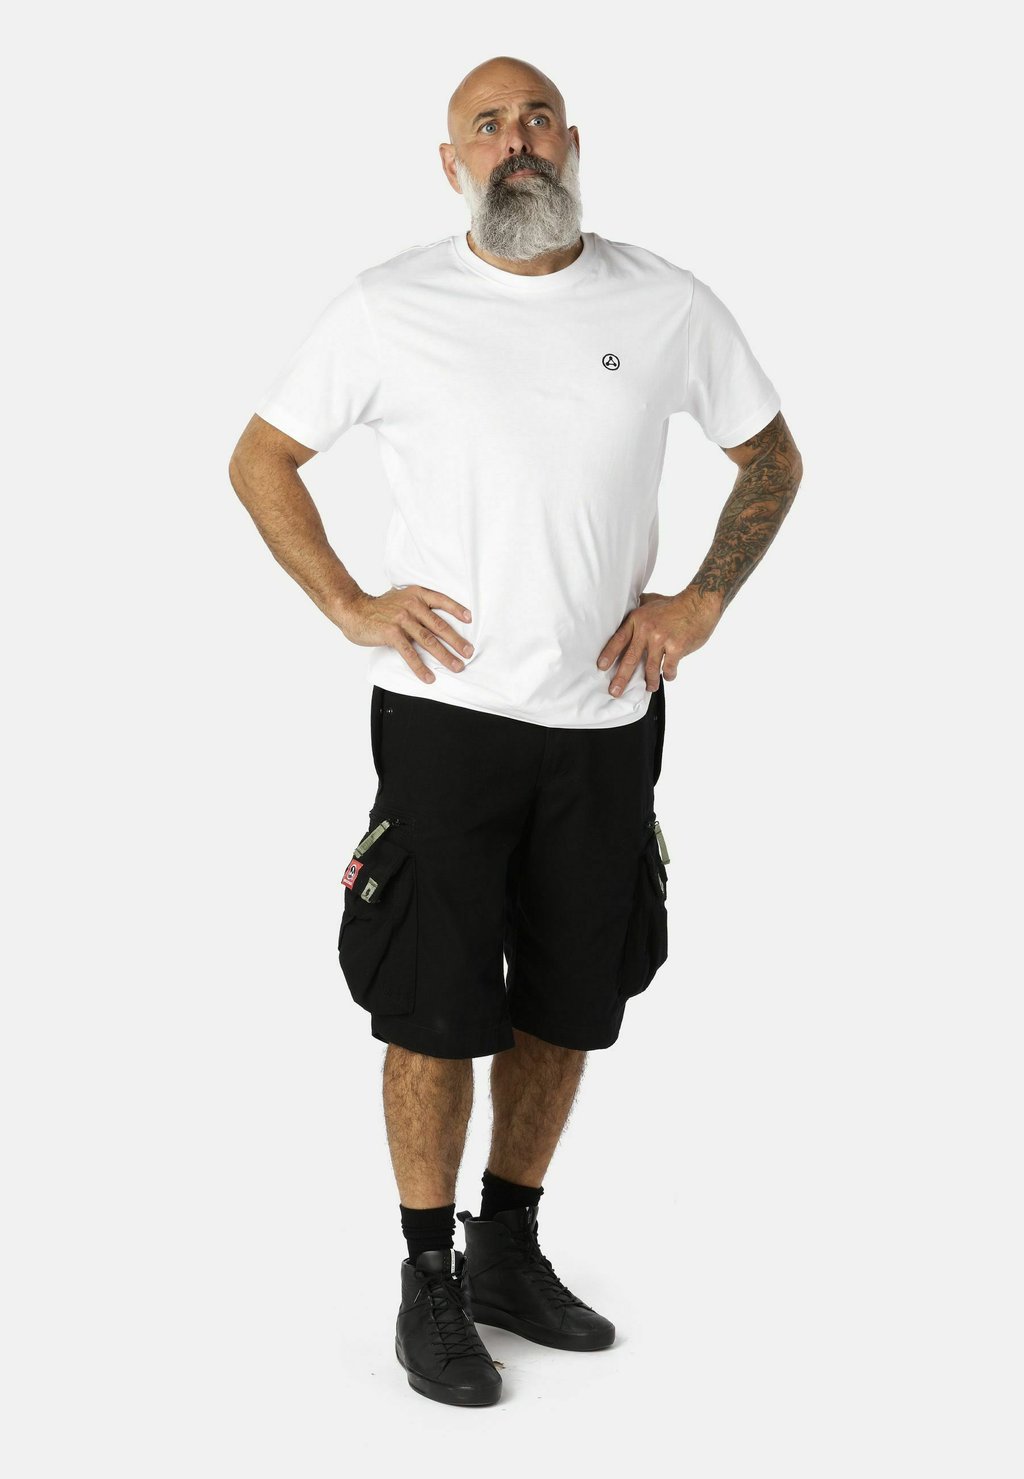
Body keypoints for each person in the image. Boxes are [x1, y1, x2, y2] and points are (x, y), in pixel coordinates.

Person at [228, 54, 803, 1408]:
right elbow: (262, 457)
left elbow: (772, 458)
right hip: (445, 722)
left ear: (573, 142)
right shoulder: (390, 306)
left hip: (606, 719)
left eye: (537, 118)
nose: (517, 140)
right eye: (487, 126)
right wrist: (350, 602)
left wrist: (701, 602)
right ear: (453, 164)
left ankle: (508, 1248)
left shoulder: (664, 302)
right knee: (434, 1008)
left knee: (568, 998)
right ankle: (428, 1278)